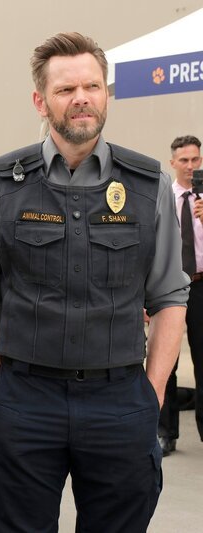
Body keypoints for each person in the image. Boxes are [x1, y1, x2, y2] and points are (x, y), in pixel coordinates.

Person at [0, 32, 188, 532]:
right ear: (41, 101)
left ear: (107, 94)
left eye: (92, 86)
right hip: (23, 397)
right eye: (66, 90)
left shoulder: (146, 185)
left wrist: (152, 393)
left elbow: (170, 296)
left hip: (120, 398)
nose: (81, 98)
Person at [160, 135, 203, 456]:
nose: (190, 167)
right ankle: (166, 433)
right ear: (173, 163)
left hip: (201, 286)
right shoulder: (162, 198)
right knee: (166, 362)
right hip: (170, 288)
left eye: (195, 160)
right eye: (184, 161)